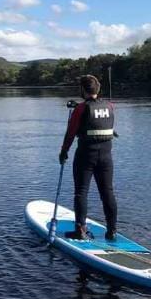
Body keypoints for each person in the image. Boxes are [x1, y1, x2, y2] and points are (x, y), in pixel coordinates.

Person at [59, 75, 118, 241]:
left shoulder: (80, 109)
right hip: (106, 156)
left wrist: (64, 152)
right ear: (98, 89)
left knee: (81, 192)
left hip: (86, 155)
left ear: (83, 90)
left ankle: (80, 230)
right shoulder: (110, 106)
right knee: (107, 192)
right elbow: (98, 119)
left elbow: (71, 133)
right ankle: (112, 231)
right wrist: (80, 107)